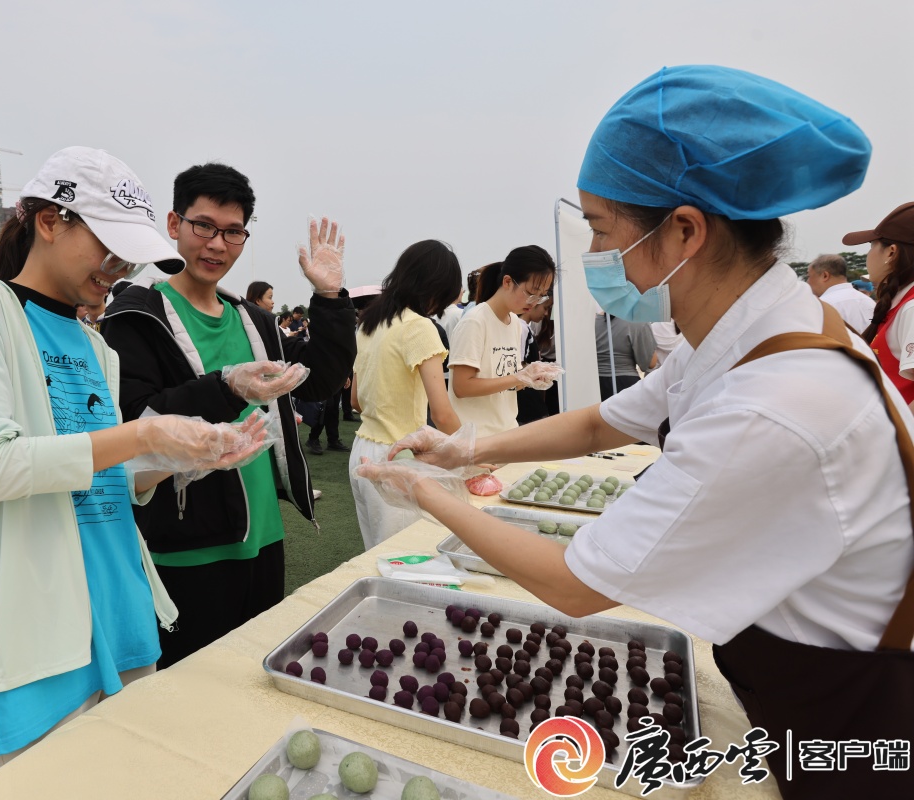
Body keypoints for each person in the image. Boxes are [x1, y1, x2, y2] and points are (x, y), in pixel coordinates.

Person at [358, 66, 909, 798]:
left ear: (684, 230)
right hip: (804, 681)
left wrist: (428, 493)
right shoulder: (753, 329)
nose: (593, 254)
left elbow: (573, 584)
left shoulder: (772, 401)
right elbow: (601, 422)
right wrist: (469, 448)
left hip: (858, 724)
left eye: (600, 229)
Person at [0, 147, 266, 784]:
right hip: (30, 629)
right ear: (51, 221)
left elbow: (107, 480)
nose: (121, 267)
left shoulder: (94, 344)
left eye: (129, 252)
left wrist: (183, 460)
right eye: (109, 245)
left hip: (120, 610)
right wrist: (142, 434)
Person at [103, 162, 356, 668]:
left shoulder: (253, 319)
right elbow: (135, 424)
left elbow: (318, 380)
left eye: (233, 231)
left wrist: (329, 299)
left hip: (263, 537)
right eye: (204, 226)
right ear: (173, 224)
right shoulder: (135, 316)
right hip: (185, 547)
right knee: (191, 689)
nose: (217, 244)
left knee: (254, 678)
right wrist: (224, 387)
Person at [349, 240, 462, 550]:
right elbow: (442, 414)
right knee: (402, 557)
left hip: (362, 449)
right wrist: (473, 452)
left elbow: (355, 401)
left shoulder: (369, 323)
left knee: (376, 553)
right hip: (400, 454)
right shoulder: (419, 327)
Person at [448, 246, 557, 437]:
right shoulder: (475, 321)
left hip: (506, 432)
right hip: (476, 437)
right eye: (531, 293)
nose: (534, 302)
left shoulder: (514, 322)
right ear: (507, 281)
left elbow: (506, 382)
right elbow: (462, 386)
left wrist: (531, 378)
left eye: (541, 296)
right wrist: (519, 377)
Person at [846, 203, 914, 409]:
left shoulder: (911, 307)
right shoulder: (902, 302)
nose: (868, 255)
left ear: (891, 252)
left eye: (871, 245)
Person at [805, 252, 876, 334]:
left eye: (809, 276)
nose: (807, 282)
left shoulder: (822, 306)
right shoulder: (870, 302)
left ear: (825, 276)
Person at [594, 312, 656, 399]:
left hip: (596, 386)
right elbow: (650, 363)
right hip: (626, 386)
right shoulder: (638, 321)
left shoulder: (593, 320)